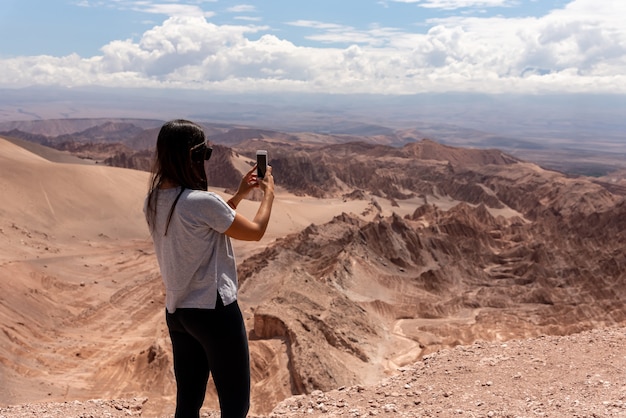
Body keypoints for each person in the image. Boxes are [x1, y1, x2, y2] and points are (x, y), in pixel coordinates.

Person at [143, 119, 274, 418]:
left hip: (178, 313)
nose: (206, 161)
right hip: (214, 312)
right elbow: (254, 231)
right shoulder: (202, 202)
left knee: (188, 403)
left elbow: (203, 223)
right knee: (235, 405)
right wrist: (269, 195)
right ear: (191, 156)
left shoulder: (153, 201)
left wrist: (239, 195)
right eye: (205, 154)